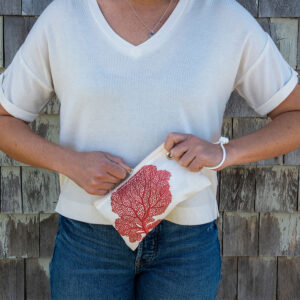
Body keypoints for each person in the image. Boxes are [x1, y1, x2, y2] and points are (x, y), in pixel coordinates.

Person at [0, 0, 299, 299]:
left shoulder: (225, 18)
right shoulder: (66, 16)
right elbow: (5, 118)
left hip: (185, 246)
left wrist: (225, 152)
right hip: (89, 243)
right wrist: (68, 162)